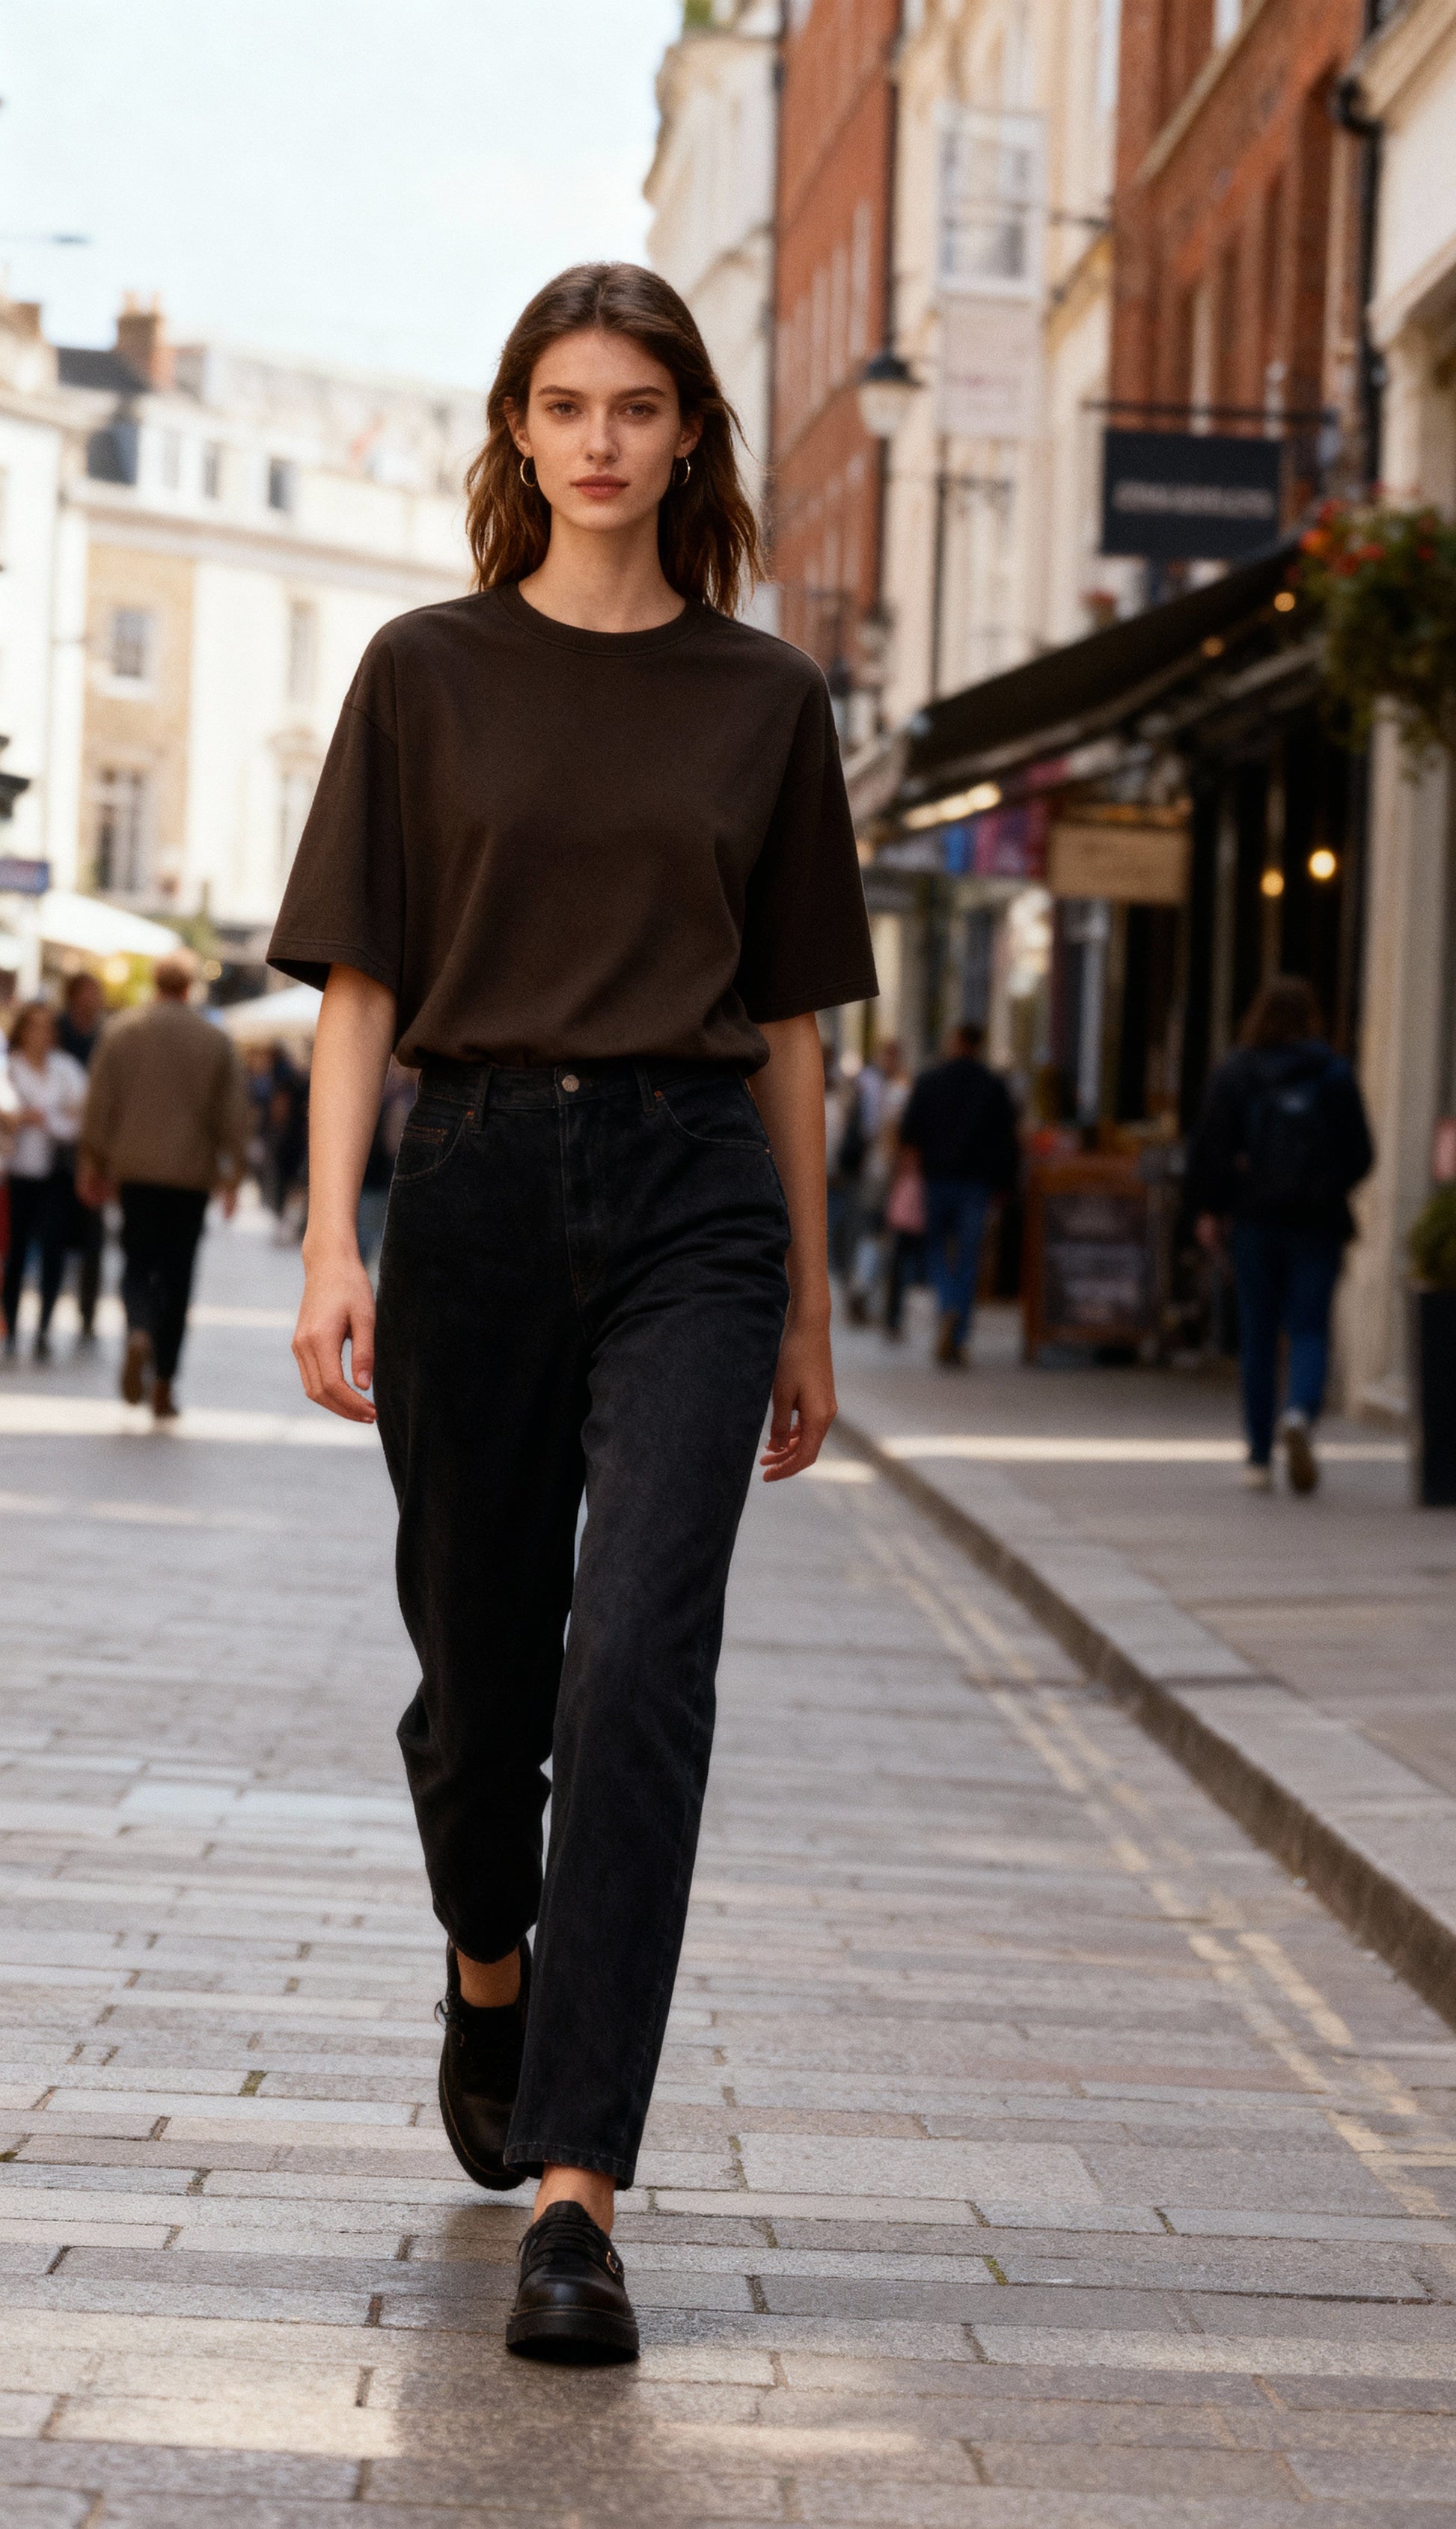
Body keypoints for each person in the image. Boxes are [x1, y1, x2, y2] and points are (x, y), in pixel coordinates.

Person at [270, 263, 877, 2365]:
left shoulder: (763, 698)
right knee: (482, 1673)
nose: (600, 438)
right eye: (562, 403)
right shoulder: (421, 672)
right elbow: (359, 984)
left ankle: (576, 2191)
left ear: (689, 434)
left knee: (640, 1659)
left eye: (637, 405)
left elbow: (794, 1024)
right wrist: (335, 1238)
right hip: (473, 1188)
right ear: (517, 434)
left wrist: (808, 1294)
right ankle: (487, 1958)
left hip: (700, 1195)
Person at [1187, 974, 1374, 1494]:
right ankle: (1300, 1414)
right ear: (1311, 1018)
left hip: (1255, 1222)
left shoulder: (1238, 1072)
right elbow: (1361, 1153)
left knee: (1259, 1337)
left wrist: (1210, 1209)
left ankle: (1258, 1457)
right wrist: (1324, 1187)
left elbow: (1212, 1148)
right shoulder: (1332, 1074)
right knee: (1311, 1328)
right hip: (1316, 1224)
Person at [77, 949, 249, 1421]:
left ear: (154, 982)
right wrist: (233, 1176)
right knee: (178, 1275)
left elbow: (98, 1104)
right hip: (190, 1177)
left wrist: (91, 1163)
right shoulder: (214, 1039)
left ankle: (137, 1327)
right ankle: (165, 1383)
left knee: (136, 1261)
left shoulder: (122, 1031)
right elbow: (233, 1116)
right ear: (191, 987)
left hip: (134, 1171)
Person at [897, 1021, 1019, 1368]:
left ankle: (947, 1306)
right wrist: (1005, 1186)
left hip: (936, 1180)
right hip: (976, 1184)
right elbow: (1006, 1140)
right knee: (968, 1258)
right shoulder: (993, 1086)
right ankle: (960, 1332)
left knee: (935, 1249)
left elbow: (910, 1135)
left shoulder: (930, 1081)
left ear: (955, 1041)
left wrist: (908, 1176)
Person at [2, 1001, 87, 1361]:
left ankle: (43, 1329)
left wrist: (45, 1119)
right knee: (15, 1254)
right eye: (34, 1026)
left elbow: (81, 1112)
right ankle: (10, 1327)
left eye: (46, 1027)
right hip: (15, 1173)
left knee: (53, 1250)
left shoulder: (64, 1068)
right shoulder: (9, 1066)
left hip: (55, 1172)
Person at [57, 971, 108, 1339]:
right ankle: (47, 1304)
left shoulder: (105, 1034)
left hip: (94, 1145)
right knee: (55, 1231)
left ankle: (87, 1312)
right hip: (54, 1147)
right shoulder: (58, 1029)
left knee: (93, 1237)